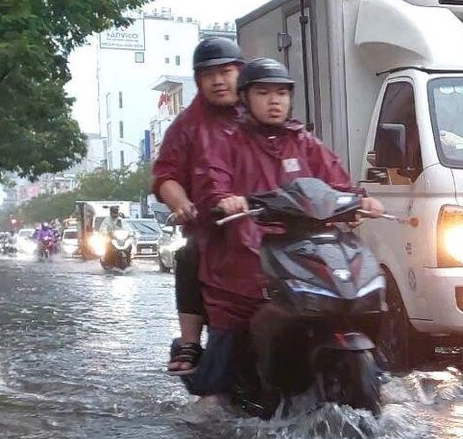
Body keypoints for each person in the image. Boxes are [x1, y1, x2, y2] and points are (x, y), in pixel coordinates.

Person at [192, 58, 383, 402]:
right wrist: (225, 200)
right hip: (243, 262)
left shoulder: (305, 142)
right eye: (263, 93)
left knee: (359, 302)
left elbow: (338, 182)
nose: (274, 101)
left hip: (307, 249)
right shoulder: (226, 142)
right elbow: (211, 181)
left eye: (281, 93)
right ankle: (218, 400)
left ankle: (377, 375)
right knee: (214, 392)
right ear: (246, 98)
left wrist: (361, 200)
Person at [153, 35, 246, 373]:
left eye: (226, 71)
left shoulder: (260, 115)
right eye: (209, 75)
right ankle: (190, 342)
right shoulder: (185, 127)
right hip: (213, 227)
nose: (219, 81)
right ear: (198, 81)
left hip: (266, 224)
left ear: (241, 72)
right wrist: (182, 204)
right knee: (189, 253)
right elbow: (166, 176)